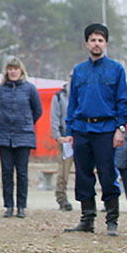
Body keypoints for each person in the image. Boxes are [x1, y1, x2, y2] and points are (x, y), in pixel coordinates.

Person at [63, 23, 127, 237]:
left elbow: (122, 102)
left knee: (107, 173)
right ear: (86, 43)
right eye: (93, 40)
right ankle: (87, 218)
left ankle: (112, 220)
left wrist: (120, 129)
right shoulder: (79, 71)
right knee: (82, 175)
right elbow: (72, 102)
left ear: (106, 43)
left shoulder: (116, 69)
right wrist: (70, 130)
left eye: (100, 40)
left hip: (106, 129)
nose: (97, 43)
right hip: (82, 128)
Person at [0, 56, 43, 219]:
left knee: (22, 172)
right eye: (10, 69)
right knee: (6, 172)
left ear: (21, 71)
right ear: (6, 71)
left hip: (24, 136)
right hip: (4, 135)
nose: (13, 71)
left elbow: (38, 110)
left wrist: (26, 122)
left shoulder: (30, 89)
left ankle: (21, 206)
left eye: (16, 68)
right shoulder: (0, 89)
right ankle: (8, 206)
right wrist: (3, 122)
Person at [50, 73, 73, 211]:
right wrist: (58, 136)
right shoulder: (59, 97)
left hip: (82, 137)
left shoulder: (84, 94)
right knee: (64, 171)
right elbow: (55, 118)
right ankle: (61, 197)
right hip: (65, 139)